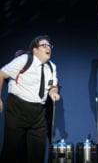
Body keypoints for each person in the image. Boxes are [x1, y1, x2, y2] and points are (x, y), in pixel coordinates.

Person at [0, 35, 60, 163]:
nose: (48, 47)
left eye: (50, 46)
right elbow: (1, 74)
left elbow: (53, 86)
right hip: (17, 108)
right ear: (35, 50)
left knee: (37, 153)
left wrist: (53, 92)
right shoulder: (24, 60)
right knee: (11, 152)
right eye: (44, 45)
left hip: (38, 112)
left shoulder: (52, 67)